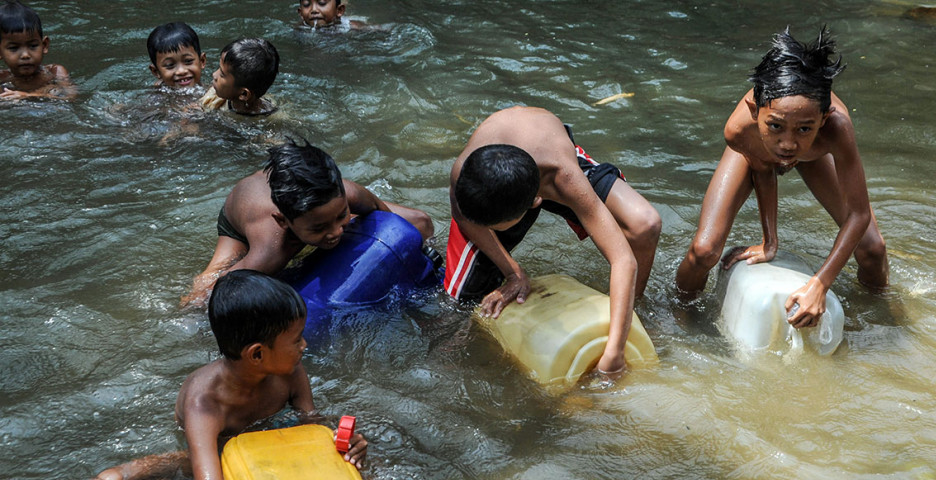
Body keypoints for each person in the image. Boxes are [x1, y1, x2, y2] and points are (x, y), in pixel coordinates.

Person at [92, 270, 369, 480]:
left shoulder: (290, 370)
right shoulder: (205, 404)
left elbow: (311, 426)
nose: (304, 345)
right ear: (257, 354)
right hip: (218, 454)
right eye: (296, 340)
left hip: (269, 447)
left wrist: (343, 444)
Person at [674, 26, 889, 328]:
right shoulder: (740, 129)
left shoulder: (837, 128)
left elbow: (859, 214)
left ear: (824, 119)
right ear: (754, 111)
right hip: (757, 145)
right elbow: (763, 169)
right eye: (776, 126)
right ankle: (679, 312)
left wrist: (820, 284)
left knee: (872, 250)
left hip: (816, 153)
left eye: (803, 128)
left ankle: (880, 319)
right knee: (704, 251)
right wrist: (769, 240)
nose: (788, 144)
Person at [444, 106, 661, 377]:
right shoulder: (465, 174)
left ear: (536, 203)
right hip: (502, 173)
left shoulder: (565, 179)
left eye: (494, 226)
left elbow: (623, 259)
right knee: (457, 306)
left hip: (552, 152)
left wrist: (615, 352)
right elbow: (466, 219)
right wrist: (513, 272)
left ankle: (631, 311)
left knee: (645, 224)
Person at [182, 139, 433, 307]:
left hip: (305, 203)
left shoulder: (351, 194)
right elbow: (220, 291)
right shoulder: (271, 250)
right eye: (319, 228)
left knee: (420, 222)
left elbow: (388, 224)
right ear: (283, 222)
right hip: (240, 220)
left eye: (341, 216)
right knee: (206, 285)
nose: (335, 233)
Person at [0, 0, 75, 101]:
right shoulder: (2, 78)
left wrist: (28, 96)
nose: (25, 55)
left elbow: (71, 96)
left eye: (32, 46)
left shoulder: (55, 72)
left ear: (44, 45)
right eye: (14, 48)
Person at [199, 37, 279, 116]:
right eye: (219, 68)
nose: (214, 74)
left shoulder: (271, 120)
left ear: (243, 94)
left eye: (222, 74)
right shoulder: (214, 97)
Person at [147, 22, 206, 91]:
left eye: (188, 61)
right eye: (170, 65)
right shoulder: (155, 99)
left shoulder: (213, 91)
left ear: (202, 61)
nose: (181, 71)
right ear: (156, 72)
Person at [296, 0, 366, 29]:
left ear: (339, 10)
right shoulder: (299, 30)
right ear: (301, 13)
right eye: (306, 4)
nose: (313, 10)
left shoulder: (352, 27)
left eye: (322, 3)